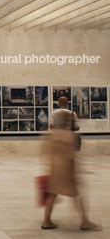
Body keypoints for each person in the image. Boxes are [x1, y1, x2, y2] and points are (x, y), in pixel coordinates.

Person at [41, 96, 101, 231]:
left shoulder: (52, 135)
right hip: (67, 171)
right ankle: (85, 221)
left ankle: (46, 220)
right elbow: (71, 155)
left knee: (52, 193)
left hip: (54, 169)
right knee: (77, 195)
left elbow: (46, 153)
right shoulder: (69, 136)